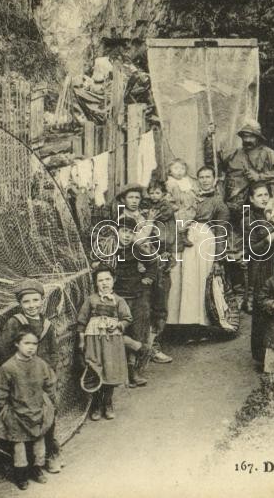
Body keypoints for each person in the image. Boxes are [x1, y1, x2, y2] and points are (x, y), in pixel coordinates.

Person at [0, 280, 63, 474]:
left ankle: (50, 455)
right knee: (19, 422)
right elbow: (2, 349)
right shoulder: (15, 322)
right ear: (20, 304)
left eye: (36, 300)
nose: (32, 305)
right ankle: (22, 466)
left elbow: (53, 351)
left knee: (48, 416)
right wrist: (19, 370)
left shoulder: (47, 324)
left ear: (42, 300)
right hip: (20, 382)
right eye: (27, 302)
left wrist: (48, 373)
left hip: (40, 381)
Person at [167, 165, 232, 330]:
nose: (204, 180)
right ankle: (184, 322)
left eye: (208, 177)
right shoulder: (191, 196)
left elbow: (221, 232)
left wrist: (218, 258)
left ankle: (203, 323)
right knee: (186, 280)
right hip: (188, 239)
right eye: (201, 177)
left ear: (214, 179)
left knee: (202, 280)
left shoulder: (218, 202)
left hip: (205, 241)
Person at [0, 330, 57, 490]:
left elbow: (50, 385)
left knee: (39, 445)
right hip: (17, 414)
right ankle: (21, 476)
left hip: (37, 410)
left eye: (34, 344)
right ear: (16, 344)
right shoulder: (8, 368)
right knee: (19, 448)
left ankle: (37, 470)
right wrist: (6, 412)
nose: (31, 348)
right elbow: (0, 393)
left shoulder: (40, 364)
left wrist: (48, 404)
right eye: (26, 343)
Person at [76, 265, 135, 420]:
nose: (104, 283)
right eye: (100, 280)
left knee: (110, 368)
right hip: (94, 339)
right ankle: (95, 404)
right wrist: (82, 340)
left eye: (107, 279)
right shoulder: (90, 300)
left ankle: (107, 403)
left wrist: (118, 324)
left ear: (113, 280)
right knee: (95, 368)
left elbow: (127, 319)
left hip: (112, 340)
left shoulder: (119, 301)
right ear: (96, 283)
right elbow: (82, 321)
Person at [205, 119, 274, 222]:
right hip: (232, 202)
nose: (247, 139)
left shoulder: (268, 153)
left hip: (257, 203)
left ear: (258, 137)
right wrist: (210, 139)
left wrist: (260, 176)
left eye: (251, 136)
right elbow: (213, 163)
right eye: (245, 136)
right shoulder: (234, 153)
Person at [109, 216, 156, 386]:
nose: (127, 235)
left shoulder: (136, 249)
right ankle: (121, 373)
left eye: (131, 232)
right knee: (119, 334)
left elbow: (152, 263)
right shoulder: (110, 250)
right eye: (124, 231)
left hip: (135, 296)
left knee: (136, 332)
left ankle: (133, 372)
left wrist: (148, 278)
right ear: (117, 232)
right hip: (117, 298)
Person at [140, 180, 175, 364]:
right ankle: (141, 347)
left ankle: (154, 344)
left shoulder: (165, 211)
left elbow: (171, 234)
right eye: (151, 193)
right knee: (144, 304)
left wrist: (170, 253)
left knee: (160, 302)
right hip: (142, 262)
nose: (154, 196)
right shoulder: (141, 212)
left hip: (161, 256)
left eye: (157, 193)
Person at [165, 158, 199, 249]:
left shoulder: (187, 180)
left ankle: (187, 230)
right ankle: (182, 235)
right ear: (170, 171)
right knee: (181, 217)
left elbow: (193, 191)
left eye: (182, 169)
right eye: (176, 168)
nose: (179, 171)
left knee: (191, 215)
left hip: (188, 204)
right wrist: (172, 205)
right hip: (179, 205)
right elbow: (168, 196)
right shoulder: (170, 182)